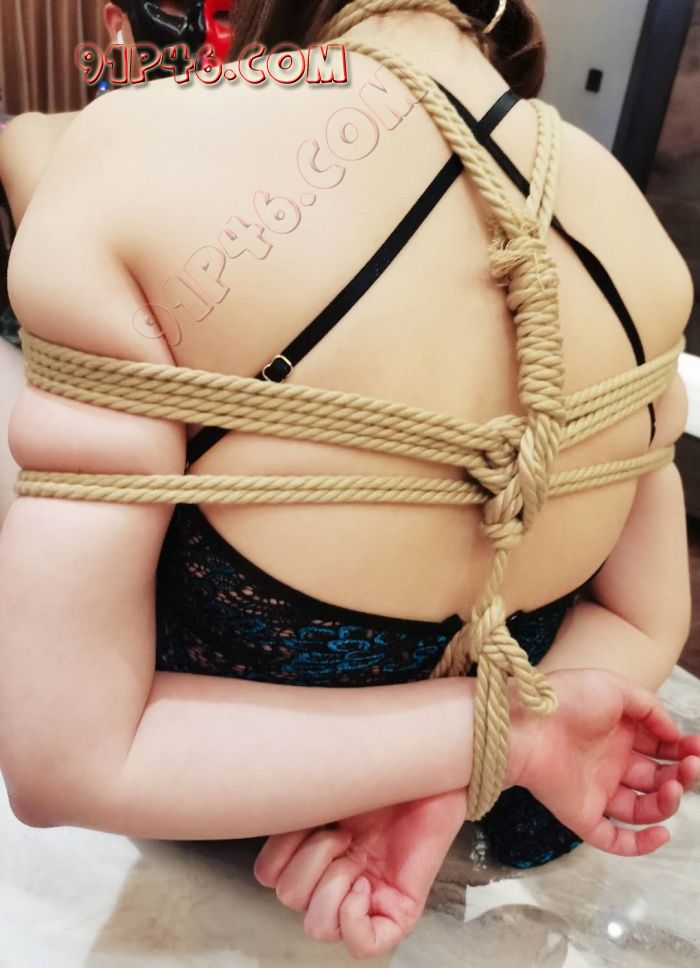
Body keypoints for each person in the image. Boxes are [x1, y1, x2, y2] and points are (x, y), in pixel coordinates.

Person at [1, 0, 699, 958]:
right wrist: (494, 745)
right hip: (516, 835)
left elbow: (64, 759)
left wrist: (494, 740)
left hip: (233, 857)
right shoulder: (636, 229)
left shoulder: (137, 156)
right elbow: (643, 617)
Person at [0, 2, 235, 519]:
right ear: (115, 23)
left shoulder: (265, 147)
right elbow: (79, 286)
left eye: (226, 14)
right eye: (176, 7)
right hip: (69, 404)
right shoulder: (38, 137)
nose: (200, 32)